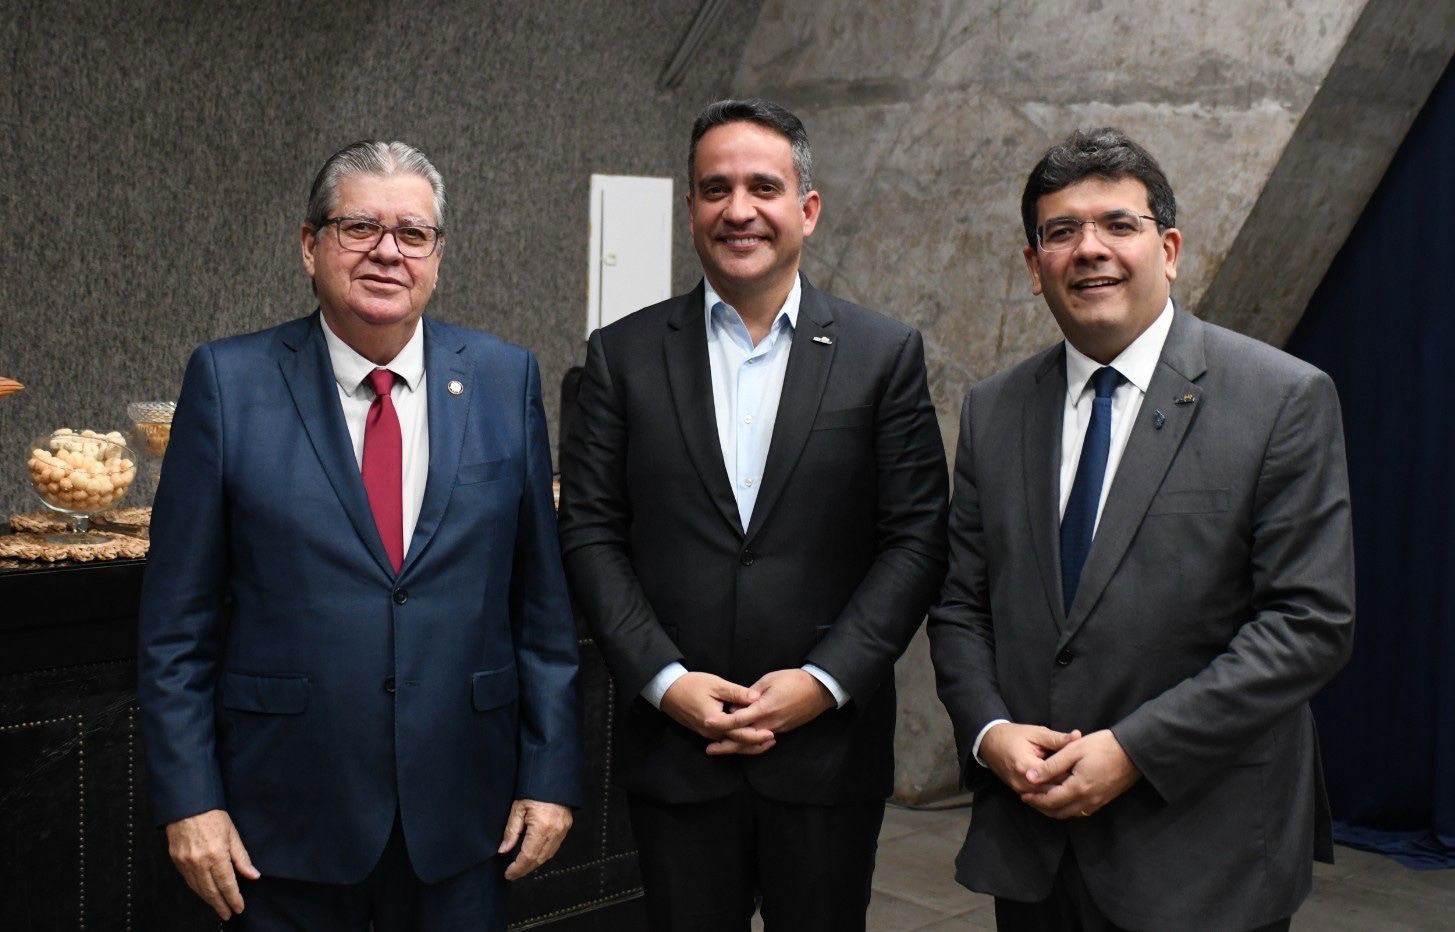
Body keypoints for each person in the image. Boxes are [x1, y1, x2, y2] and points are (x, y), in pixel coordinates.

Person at [137, 141, 582, 931]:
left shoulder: (503, 377)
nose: (387, 251)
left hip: (465, 816)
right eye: (359, 227)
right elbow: (177, 624)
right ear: (310, 245)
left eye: (413, 233)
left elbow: (540, 608)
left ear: (437, 255)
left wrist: (549, 775)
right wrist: (189, 800)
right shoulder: (229, 382)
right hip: (280, 820)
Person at [928, 127, 1356, 931]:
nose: (1089, 249)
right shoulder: (994, 411)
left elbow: (1308, 624)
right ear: (1033, 267)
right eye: (1060, 231)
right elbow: (960, 606)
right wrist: (989, 732)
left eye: (1117, 224)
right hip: (1033, 847)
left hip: (1202, 854)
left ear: (1168, 249)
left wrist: (1133, 750)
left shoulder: (1280, 398)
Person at [557, 98, 948, 931]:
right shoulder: (621, 356)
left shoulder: (882, 355)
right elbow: (589, 531)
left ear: (807, 208)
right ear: (691, 210)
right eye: (715, 189)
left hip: (827, 752)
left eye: (762, 187)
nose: (738, 210)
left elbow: (915, 539)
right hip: (676, 748)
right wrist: (664, 680)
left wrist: (823, 681)